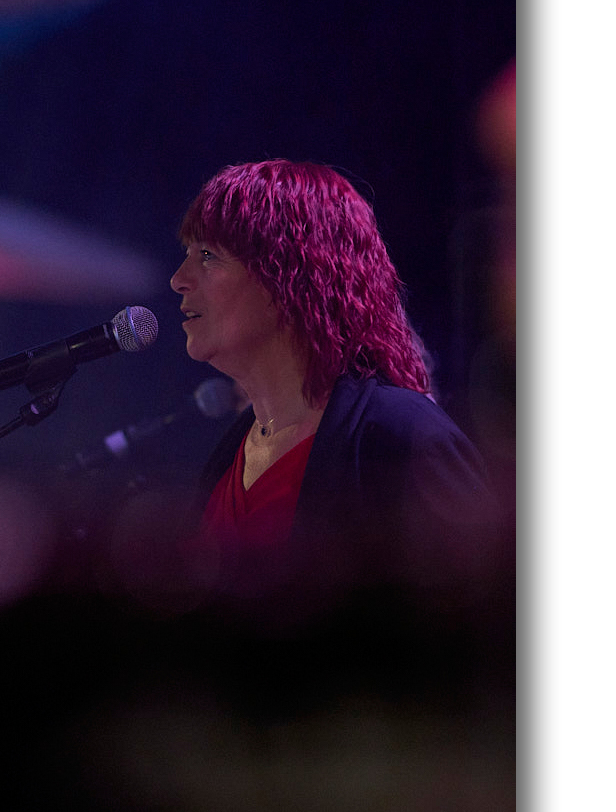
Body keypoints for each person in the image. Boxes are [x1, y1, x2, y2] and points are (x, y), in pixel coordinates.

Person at [168, 160, 499, 610]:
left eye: (208, 255)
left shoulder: (403, 438)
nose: (179, 279)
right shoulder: (228, 457)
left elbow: (480, 625)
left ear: (286, 272)